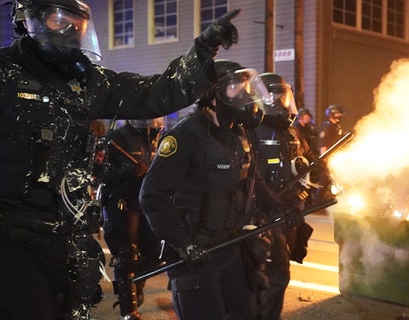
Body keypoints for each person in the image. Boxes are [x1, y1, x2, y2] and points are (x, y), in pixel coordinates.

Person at [0, 1, 241, 319]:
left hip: (67, 239)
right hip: (8, 243)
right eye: (58, 19)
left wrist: (204, 48)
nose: (69, 30)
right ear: (30, 21)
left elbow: (157, 93)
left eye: (77, 24)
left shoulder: (85, 83)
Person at [139, 60, 303, 320]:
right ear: (211, 94)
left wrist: (280, 209)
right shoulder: (185, 136)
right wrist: (184, 244)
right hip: (196, 255)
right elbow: (151, 196)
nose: (245, 94)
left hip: (232, 248)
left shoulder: (240, 134)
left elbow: (254, 180)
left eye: (247, 86)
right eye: (236, 86)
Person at [254, 72, 315, 320]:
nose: (280, 102)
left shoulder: (293, 132)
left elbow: (308, 160)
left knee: (275, 274)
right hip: (263, 214)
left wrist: (320, 173)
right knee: (276, 274)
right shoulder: (252, 129)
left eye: (283, 96)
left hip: (289, 212)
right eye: (274, 96)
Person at [99, 118, 165, 320]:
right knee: (128, 255)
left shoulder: (161, 138)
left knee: (156, 254)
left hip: (150, 203)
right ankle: (129, 311)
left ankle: (136, 286)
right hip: (124, 202)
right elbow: (99, 171)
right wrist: (126, 170)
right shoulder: (116, 138)